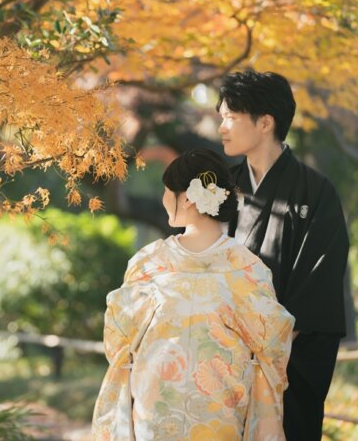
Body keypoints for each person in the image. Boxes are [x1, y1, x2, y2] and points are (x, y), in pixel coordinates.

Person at [92, 148, 294, 440]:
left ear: (186, 198)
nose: (164, 199)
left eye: (167, 191)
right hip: (218, 418)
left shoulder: (149, 264)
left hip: (158, 416)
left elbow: (118, 339)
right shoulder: (247, 269)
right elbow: (273, 346)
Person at [216, 70, 350, 440]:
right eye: (221, 117)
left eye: (230, 117)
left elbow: (320, 279)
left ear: (265, 123)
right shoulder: (220, 189)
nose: (221, 127)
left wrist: (269, 347)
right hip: (222, 358)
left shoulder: (316, 192)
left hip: (290, 357)